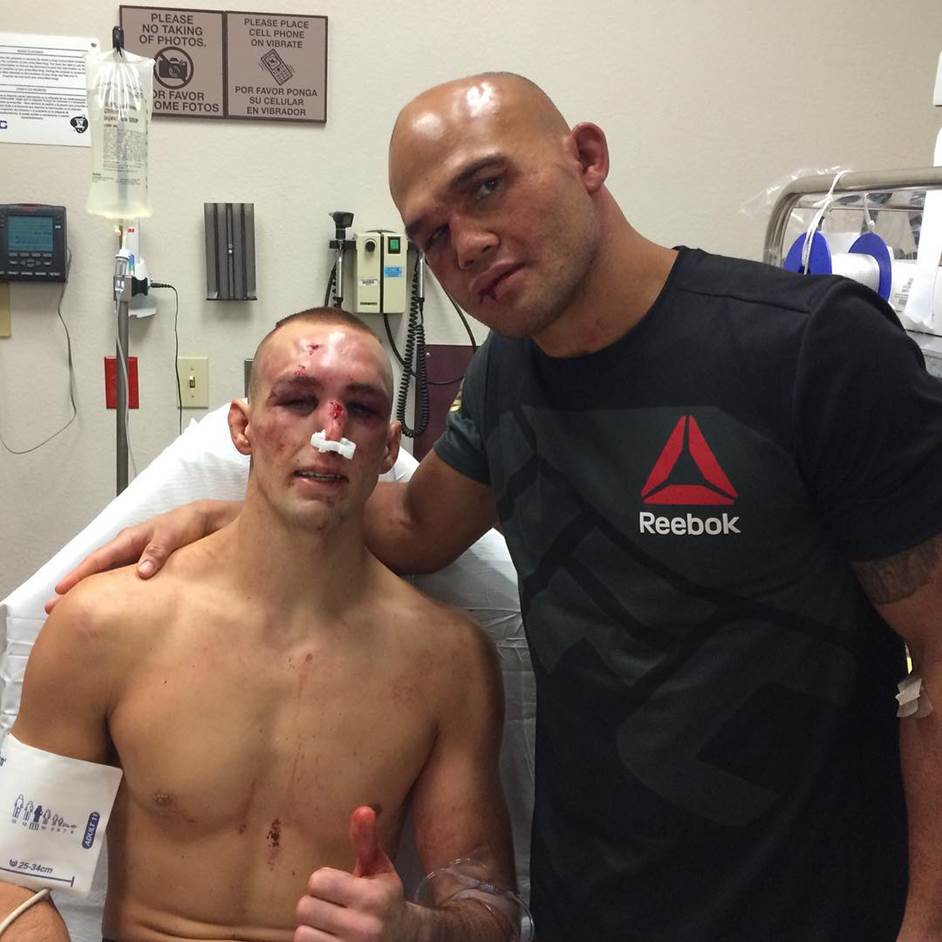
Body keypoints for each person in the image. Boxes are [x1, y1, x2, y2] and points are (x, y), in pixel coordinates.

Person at [51, 74, 942, 941]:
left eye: (487, 186)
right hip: (593, 903)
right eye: (432, 234)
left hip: (804, 903)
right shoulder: (508, 375)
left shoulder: (808, 348)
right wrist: (229, 517)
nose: (466, 244)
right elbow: (411, 524)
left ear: (586, 157)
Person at [9, 308, 519, 942]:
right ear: (242, 428)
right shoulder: (104, 625)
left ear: (388, 450)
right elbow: (16, 875)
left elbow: (488, 908)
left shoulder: (449, 663)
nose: (329, 431)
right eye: (298, 400)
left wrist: (412, 931)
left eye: (359, 410)